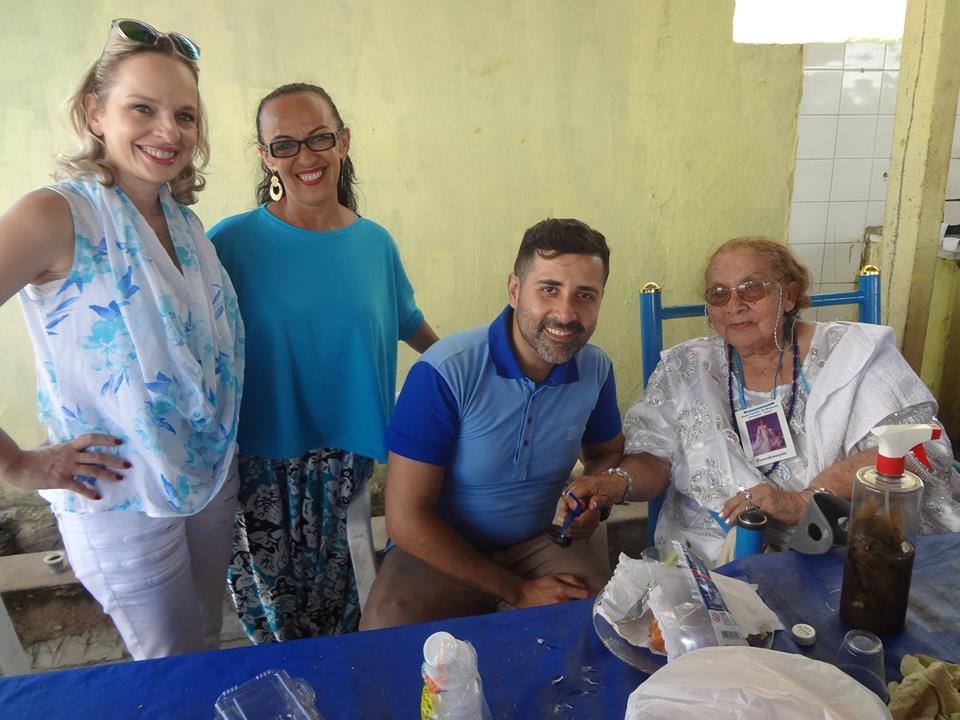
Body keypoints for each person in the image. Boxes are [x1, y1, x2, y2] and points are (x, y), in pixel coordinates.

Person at [0, 20, 244, 659]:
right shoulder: (56, 216)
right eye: (143, 108)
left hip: (206, 478)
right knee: (169, 663)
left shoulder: (186, 226)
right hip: (120, 495)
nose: (169, 131)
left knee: (206, 638)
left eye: (185, 115)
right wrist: (16, 464)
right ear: (94, 113)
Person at [568, 236, 960, 566]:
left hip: (839, 549)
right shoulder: (687, 367)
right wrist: (613, 484)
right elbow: (654, 458)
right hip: (712, 556)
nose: (734, 305)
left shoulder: (851, 354)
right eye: (718, 295)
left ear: (789, 295)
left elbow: (920, 446)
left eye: (751, 289)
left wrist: (802, 501)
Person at [209, 83, 437, 642]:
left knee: (347, 616)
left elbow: (407, 321)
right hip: (258, 466)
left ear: (344, 141)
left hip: (346, 461)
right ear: (266, 157)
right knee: (277, 625)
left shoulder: (374, 244)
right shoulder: (230, 245)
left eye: (319, 138)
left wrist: (466, 372)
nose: (305, 157)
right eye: (284, 145)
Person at [360, 218, 625, 630]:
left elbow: (606, 451)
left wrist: (593, 493)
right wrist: (517, 591)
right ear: (515, 290)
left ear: (601, 300)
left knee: (607, 621)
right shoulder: (446, 371)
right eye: (549, 289)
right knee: (388, 629)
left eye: (584, 295)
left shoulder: (595, 369)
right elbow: (405, 519)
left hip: (540, 540)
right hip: (439, 551)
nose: (565, 313)